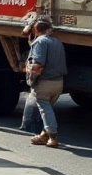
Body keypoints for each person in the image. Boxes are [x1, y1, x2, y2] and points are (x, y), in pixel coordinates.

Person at [23, 18, 67, 148]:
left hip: (45, 82)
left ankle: (53, 136)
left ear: (36, 30)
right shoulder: (58, 43)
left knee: (44, 107)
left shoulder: (39, 42)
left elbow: (38, 65)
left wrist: (31, 81)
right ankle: (43, 135)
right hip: (59, 83)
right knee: (48, 110)